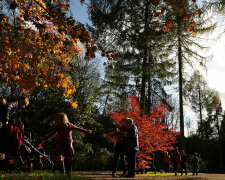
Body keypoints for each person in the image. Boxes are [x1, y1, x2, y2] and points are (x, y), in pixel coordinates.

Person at [39, 113, 92, 177]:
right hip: (60, 144)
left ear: (62, 118)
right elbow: (52, 134)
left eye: (58, 118)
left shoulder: (69, 125)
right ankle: (61, 173)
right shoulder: (57, 127)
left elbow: (77, 128)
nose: (56, 119)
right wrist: (44, 140)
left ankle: (68, 174)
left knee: (68, 159)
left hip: (68, 144)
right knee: (58, 158)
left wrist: (86, 131)